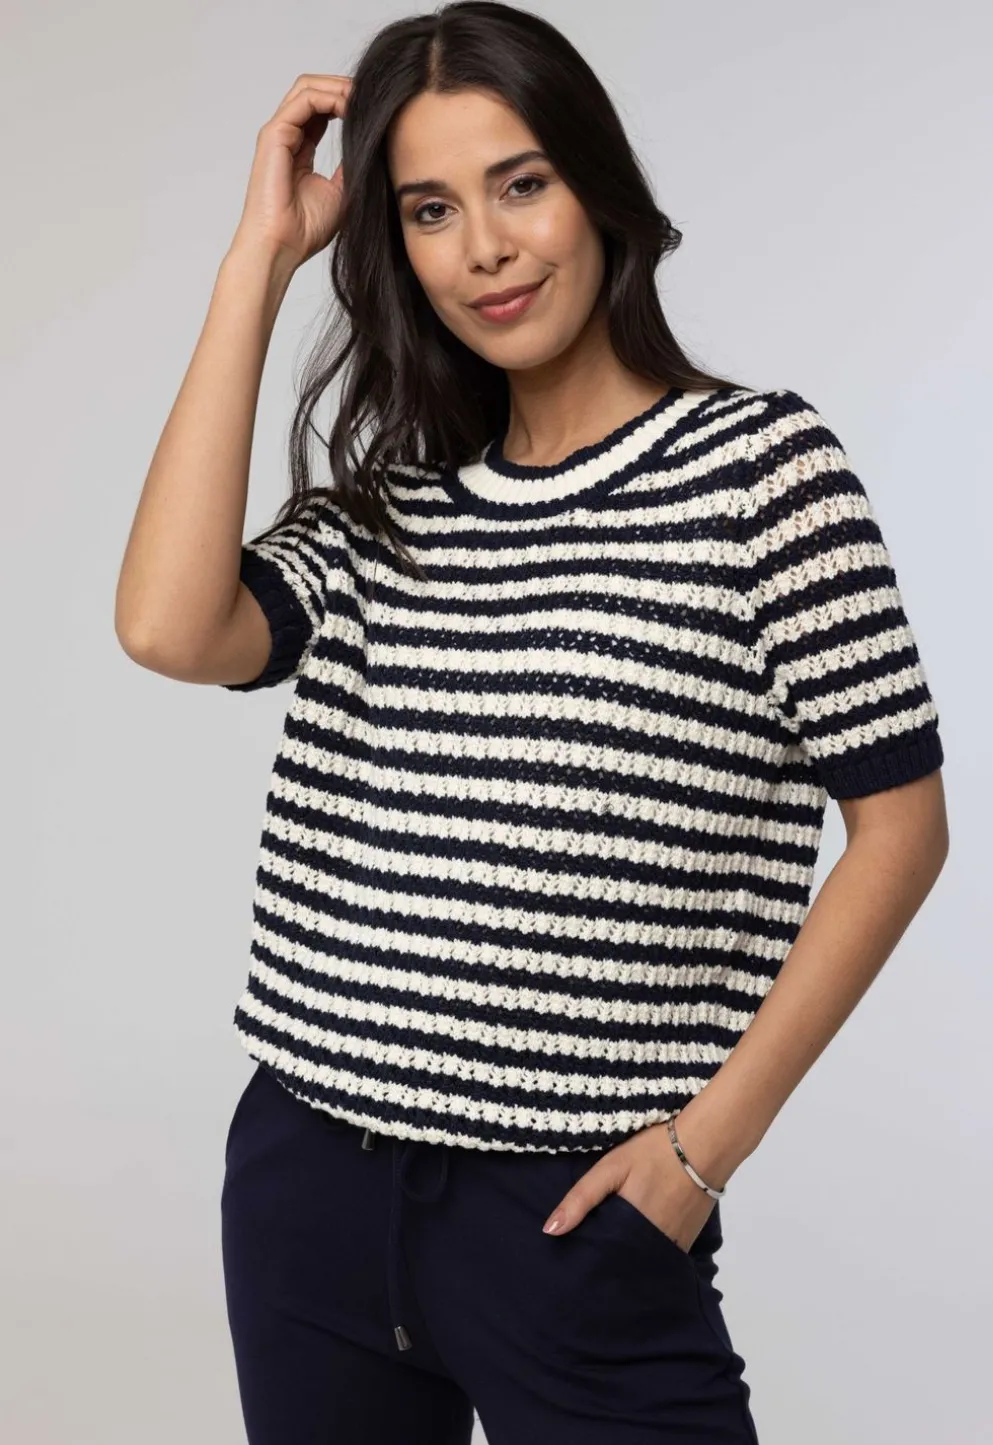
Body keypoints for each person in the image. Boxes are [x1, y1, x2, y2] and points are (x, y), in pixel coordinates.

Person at [114, 4, 949, 1442]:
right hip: (310, 1185)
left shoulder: (763, 473)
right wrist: (258, 257)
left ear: (596, 186)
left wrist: (702, 1153)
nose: (486, 249)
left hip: (573, 1211)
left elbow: (901, 830)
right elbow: (167, 628)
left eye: (522, 184)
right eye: (430, 210)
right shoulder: (393, 510)